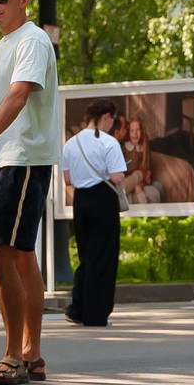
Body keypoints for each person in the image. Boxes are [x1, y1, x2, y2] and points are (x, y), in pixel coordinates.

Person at [0, 0, 60, 385]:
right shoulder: (4, 45)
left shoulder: (33, 40)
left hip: (23, 157)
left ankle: (13, 356)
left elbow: (18, 95)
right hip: (6, 158)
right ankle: (33, 355)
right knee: (23, 256)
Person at [61, 99, 127, 327]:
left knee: (86, 256)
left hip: (81, 201)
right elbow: (118, 176)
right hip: (103, 201)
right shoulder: (108, 143)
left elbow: (67, 180)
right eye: (113, 120)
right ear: (106, 116)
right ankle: (96, 314)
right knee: (104, 257)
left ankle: (77, 308)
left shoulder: (71, 144)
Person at [118, 115, 164, 203]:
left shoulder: (144, 148)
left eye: (138, 130)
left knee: (160, 186)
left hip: (140, 182)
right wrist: (137, 186)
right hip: (129, 182)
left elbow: (146, 172)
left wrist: (142, 183)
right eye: (132, 131)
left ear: (142, 131)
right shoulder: (125, 148)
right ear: (128, 132)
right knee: (154, 193)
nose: (135, 134)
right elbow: (123, 173)